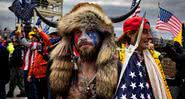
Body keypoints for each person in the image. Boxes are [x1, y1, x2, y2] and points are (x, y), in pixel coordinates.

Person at [49, 2, 119, 99]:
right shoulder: (60, 72)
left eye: (90, 30)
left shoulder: (117, 70)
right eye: (78, 32)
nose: (83, 37)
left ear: (102, 36)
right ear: (72, 38)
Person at [115, 16, 172, 99]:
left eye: (149, 32)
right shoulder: (117, 59)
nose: (150, 37)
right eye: (144, 32)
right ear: (130, 34)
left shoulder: (154, 58)